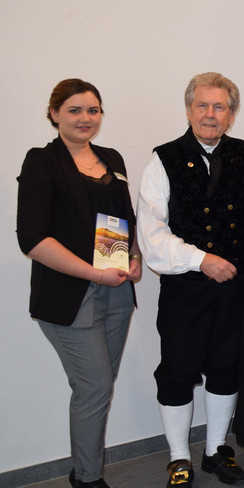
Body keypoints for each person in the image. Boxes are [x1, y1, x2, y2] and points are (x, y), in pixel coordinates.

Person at [17, 79, 142, 488]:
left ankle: (83, 472)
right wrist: (94, 274)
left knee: (97, 391)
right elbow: (32, 239)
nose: (85, 119)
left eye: (93, 110)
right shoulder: (42, 161)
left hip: (118, 292)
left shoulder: (111, 157)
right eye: (74, 110)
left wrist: (135, 257)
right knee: (95, 387)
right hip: (71, 296)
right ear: (54, 114)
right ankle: (88, 479)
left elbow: (125, 219)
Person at [137, 72, 244, 487]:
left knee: (226, 368)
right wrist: (202, 259)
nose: (210, 114)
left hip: (235, 289)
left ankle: (216, 451)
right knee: (177, 371)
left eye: (219, 107)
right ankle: (177, 456)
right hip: (185, 290)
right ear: (188, 109)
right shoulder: (162, 159)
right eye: (202, 105)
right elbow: (151, 236)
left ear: (232, 114)